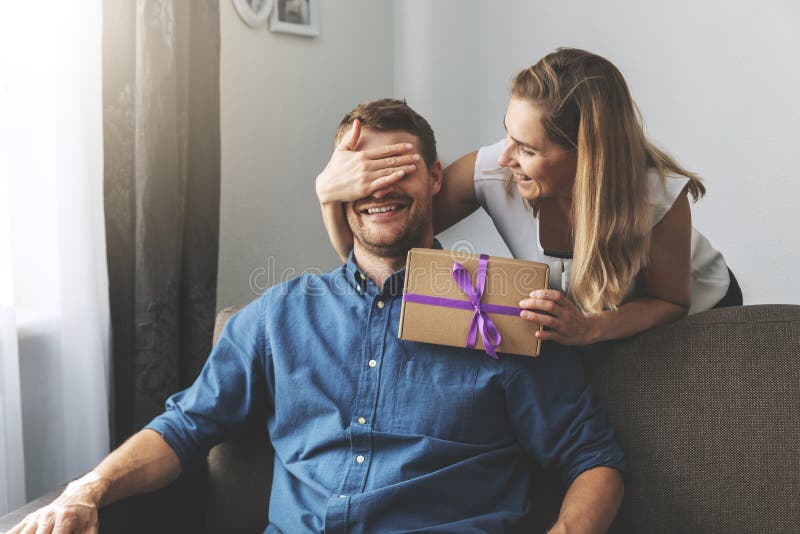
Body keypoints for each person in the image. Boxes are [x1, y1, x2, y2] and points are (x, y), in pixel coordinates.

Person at [11, 99, 626, 534]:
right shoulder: (277, 318)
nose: (380, 185)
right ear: (335, 189)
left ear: (437, 179)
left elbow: (592, 457)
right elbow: (184, 427)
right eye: (361, 171)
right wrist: (86, 490)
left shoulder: (506, 311)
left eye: (401, 167)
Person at [316, 48, 743, 347]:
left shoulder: (658, 198)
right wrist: (328, 196)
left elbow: (670, 301)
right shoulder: (493, 170)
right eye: (508, 133)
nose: (505, 156)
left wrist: (590, 329)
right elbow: (383, 255)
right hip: (583, 319)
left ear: (586, 159)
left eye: (528, 149)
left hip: (694, 312)